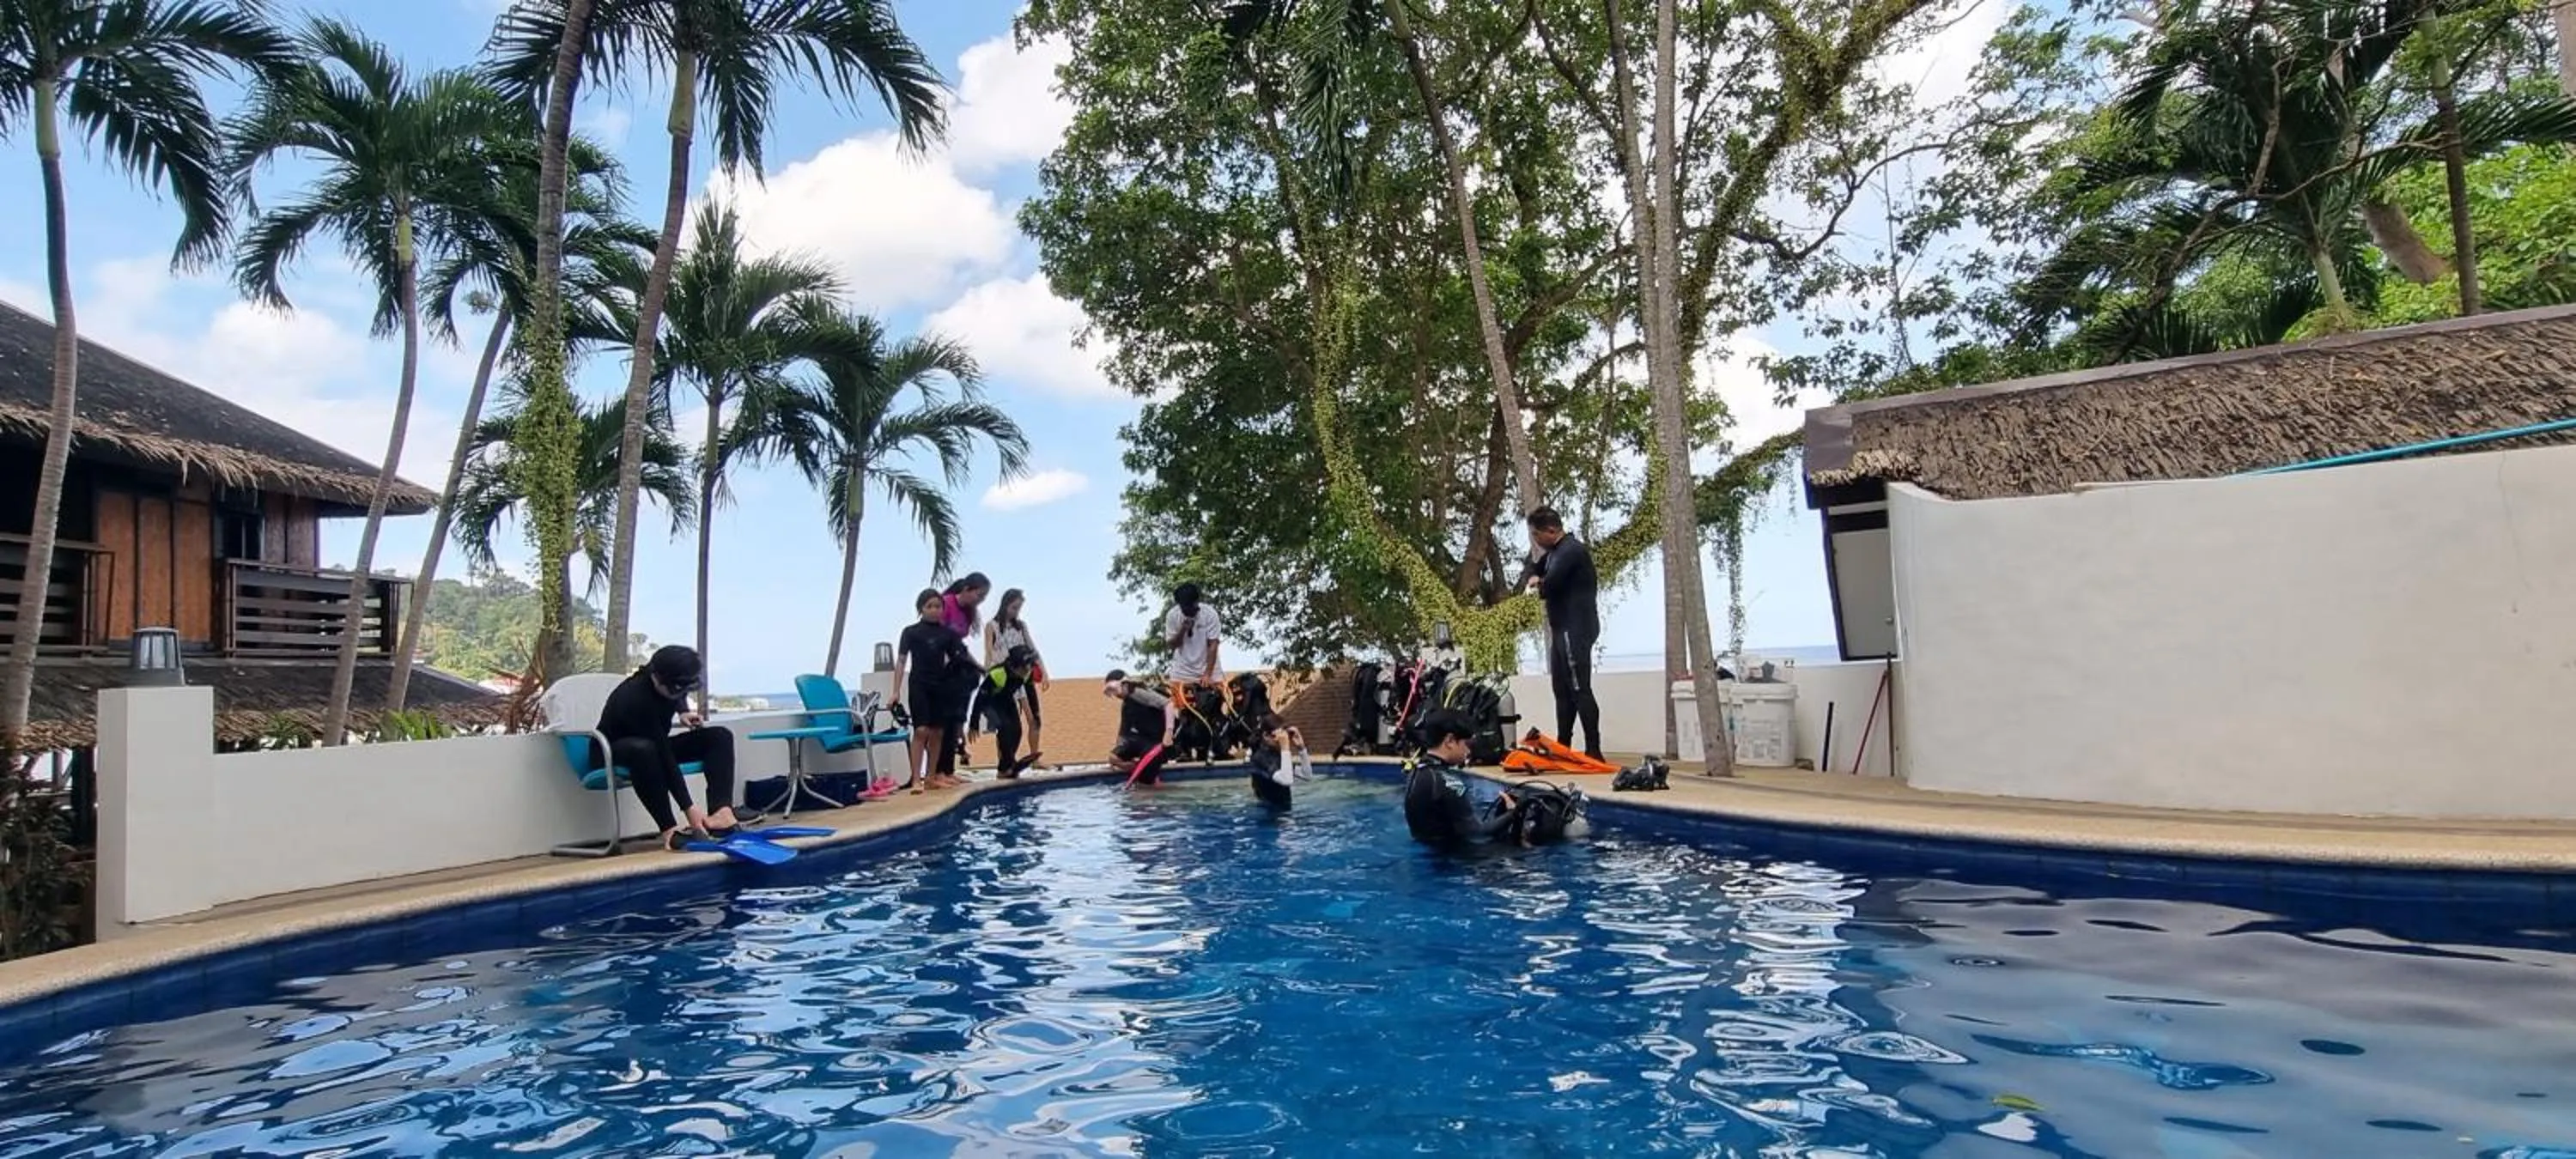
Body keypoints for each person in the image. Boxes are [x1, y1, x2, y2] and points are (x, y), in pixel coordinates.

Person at [596, 645, 746, 852]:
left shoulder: (661, 673)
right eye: (676, 690)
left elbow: (678, 689)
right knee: (645, 751)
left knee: (719, 736)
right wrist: (689, 809)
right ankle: (668, 830)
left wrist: (683, 711)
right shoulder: (635, 698)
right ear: (657, 679)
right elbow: (665, 756)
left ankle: (721, 813)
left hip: (653, 745)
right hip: (610, 751)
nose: (680, 693)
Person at [1522, 507, 1602, 759]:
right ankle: (1563, 744)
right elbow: (1532, 568)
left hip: (1576, 627)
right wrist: (1535, 577)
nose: (1535, 541)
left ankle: (1594, 749)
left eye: (1536, 535)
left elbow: (1549, 585)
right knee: (1562, 690)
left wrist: (1539, 582)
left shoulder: (1571, 551)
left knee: (1579, 688)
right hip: (1561, 629)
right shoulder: (1553, 553)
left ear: (1551, 530)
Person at [891, 588, 977, 793]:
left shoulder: (948, 634)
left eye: (938, 606)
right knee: (921, 730)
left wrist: (974, 672)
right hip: (919, 684)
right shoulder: (910, 632)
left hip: (941, 686)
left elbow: (959, 659)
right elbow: (901, 661)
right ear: (921, 609)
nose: (934, 610)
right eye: (929, 606)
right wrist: (895, 691)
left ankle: (931, 777)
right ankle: (916, 779)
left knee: (938, 732)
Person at [1403, 710, 1520, 846]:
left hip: (1427, 851)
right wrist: (1513, 812)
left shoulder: (1416, 772)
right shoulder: (1449, 782)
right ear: (1450, 741)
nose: (1468, 751)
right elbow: (1477, 833)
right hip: (1455, 856)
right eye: (1467, 744)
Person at [983, 588, 1045, 768]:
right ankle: (1004, 761)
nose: (1016, 612)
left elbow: (1032, 649)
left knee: (1034, 718)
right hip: (1004, 676)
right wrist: (988, 673)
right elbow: (989, 652)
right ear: (1005, 605)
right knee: (1006, 723)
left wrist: (1043, 671)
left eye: (1019, 608)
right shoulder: (992, 626)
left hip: (1024, 675)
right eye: (1014, 608)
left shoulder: (1021, 626)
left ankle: (1035, 758)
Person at [1103, 669, 1178, 786]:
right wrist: (1120, 758)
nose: (1115, 695)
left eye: (1114, 690)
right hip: (1143, 740)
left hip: (1159, 742)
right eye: (1111, 692)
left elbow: (1168, 704)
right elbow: (1123, 733)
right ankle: (1136, 770)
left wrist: (1168, 733)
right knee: (1113, 757)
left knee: (1144, 785)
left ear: (1125, 684)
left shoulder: (1138, 693)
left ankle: (1148, 778)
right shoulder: (1126, 705)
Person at [978, 644, 1042, 779]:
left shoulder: (1024, 674)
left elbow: (1024, 693)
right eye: (1026, 667)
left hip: (1007, 701)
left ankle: (1008, 764)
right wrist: (973, 722)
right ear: (1016, 667)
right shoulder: (998, 674)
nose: (1029, 670)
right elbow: (980, 697)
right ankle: (1003, 769)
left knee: (1017, 731)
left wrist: (1031, 715)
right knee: (1005, 730)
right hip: (990, 703)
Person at [1161, 581, 1223, 704]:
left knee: (1212, 707)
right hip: (1182, 672)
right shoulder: (1172, 615)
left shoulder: (1209, 614)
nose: (1188, 610)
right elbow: (1172, 645)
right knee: (1182, 710)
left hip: (1209, 670)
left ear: (1197, 602)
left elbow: (1213, 644)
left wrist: (1207, 674)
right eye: (1185, 608)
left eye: (1191, 607)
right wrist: (1183, 629)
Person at [1246, 710, 1307, 810]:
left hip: (1283, 810)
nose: (1283, 739)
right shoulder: (1260, 758)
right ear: (1266, 736)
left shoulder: (1277, 755)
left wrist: (1301, 749)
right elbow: (1287, 781)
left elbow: (1306, 775)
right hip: (1267, 812)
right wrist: (1285, 748)